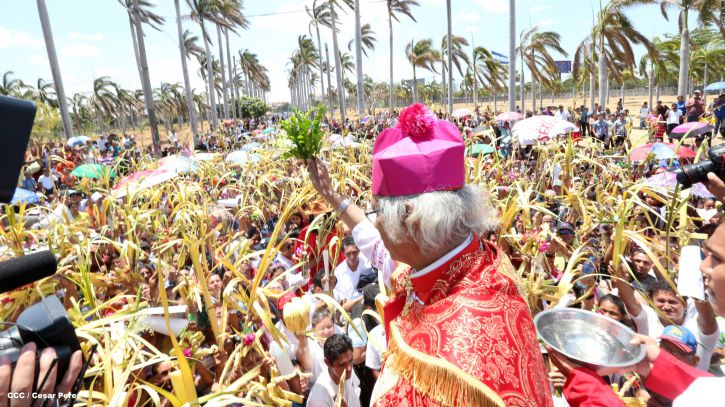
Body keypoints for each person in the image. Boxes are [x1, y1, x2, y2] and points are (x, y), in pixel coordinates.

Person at [307, 103, 552, 406]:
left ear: (414, 221)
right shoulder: (468, 258)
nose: (376, 219)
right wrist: (332, 197)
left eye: (379, 210)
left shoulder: (459, 356)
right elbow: (376, 245)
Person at [307, 334, 361, 407]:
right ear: (327, 362)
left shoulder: (349, 373)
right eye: (342, 364)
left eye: (350, 360)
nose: (349, 368)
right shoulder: (319, 397)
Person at [333, 236, 370, 305]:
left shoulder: (368, 265)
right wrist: (341, 300)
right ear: (343, 253)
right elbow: (337, 293)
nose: (352, 257)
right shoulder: (339, 271)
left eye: (354, 252)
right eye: (348, 253)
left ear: (359, 250)